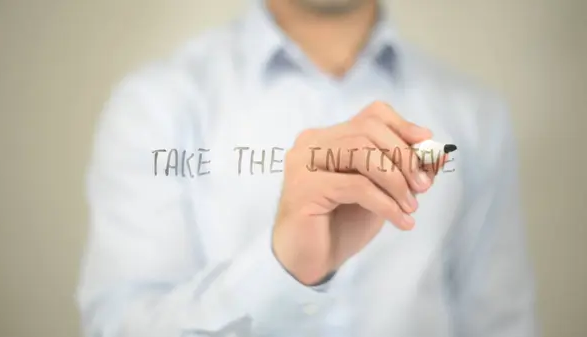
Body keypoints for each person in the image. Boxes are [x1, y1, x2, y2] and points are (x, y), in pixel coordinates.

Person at [76, 0, 538, 336]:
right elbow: (119, 326)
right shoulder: (155, 105)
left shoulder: (475, 116)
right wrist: (281, 268)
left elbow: (499, 323)